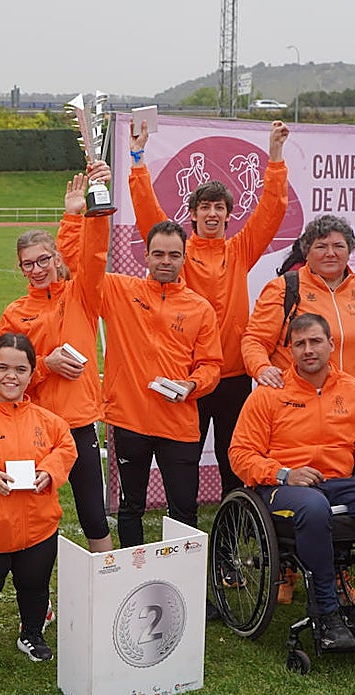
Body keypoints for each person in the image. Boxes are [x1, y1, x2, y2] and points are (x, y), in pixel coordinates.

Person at [230, 313, 355, 651]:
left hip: (339, 480)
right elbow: (241, 454)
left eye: (315, 341)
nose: (308, 350)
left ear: (332, 345)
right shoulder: (267, 394)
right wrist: (284, 473)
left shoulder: (353, 391)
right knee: (315, 506)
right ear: (289, 351)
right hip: (281, 486)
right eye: (299, 344)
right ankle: (327, 611)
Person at [129, 120, 290, 495]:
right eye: (205, 207)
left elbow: (271, 210)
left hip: (233, 373)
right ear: (194, 214)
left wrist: (276, 156)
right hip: (192, 375)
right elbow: (148, 214)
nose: (213, 213)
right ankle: (183, 517)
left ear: (228, 215)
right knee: (185, 452)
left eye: (219, 207)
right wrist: (137, 160)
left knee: (233, 450)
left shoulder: (240, 249)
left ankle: (238, 511)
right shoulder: (179, 252)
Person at [78, 199, 224, 548]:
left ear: (184, 258)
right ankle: (135, 577)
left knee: (184, 511)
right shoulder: (119, 291)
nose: (165, 262)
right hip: (130, 421)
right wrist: (92, 219)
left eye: (173, 255)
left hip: (179, 424)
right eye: (158, 254)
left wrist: (191, 385)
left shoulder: (199, 308)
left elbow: (212, 366)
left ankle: (184, 583)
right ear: (145, 256)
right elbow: (87, 265)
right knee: (131, 508)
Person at [0, 175, 113, 555]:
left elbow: (94, 253)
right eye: (27, 264)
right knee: (28, 515)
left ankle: (107, 587)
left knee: (93, 515)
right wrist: (45, 365)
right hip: (31, 425)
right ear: (19, 267)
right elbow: (7, 379)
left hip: (78, 422)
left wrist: (78, 214)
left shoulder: (81, 294)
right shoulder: (15, 313)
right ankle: (37, 603)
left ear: (57, 258)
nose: (37, 269)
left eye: (44, 260)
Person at [0, 333, 77, 669]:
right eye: (3, 368)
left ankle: (32, 635)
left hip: (39, 528)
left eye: (20, 369)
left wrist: (50, 471)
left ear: (31, 373)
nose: (11, 376)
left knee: (35, 587)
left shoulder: (49, 421)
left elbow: (66, 449)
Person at [241, 214, 355, 436]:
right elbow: (255, 340)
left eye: (338, 245)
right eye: (321, 246)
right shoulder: (284, 289)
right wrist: (261, 368)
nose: (330, 253)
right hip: (299, 412)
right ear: (306, 252)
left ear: (350, 250)